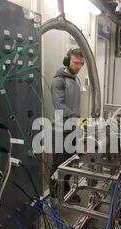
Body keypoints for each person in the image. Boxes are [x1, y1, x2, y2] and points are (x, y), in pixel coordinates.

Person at [50, 48, 85, 203]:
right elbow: (59, 105)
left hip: (73, 128)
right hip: (60, 129)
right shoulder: (58, 80)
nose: (78, 66)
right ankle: (54, 193)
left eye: (81, 64)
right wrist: (77, 117)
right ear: (67, 61)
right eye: (76, 63)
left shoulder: (76, 79)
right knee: (59, 163)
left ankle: (64, 190)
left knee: (71, 161)